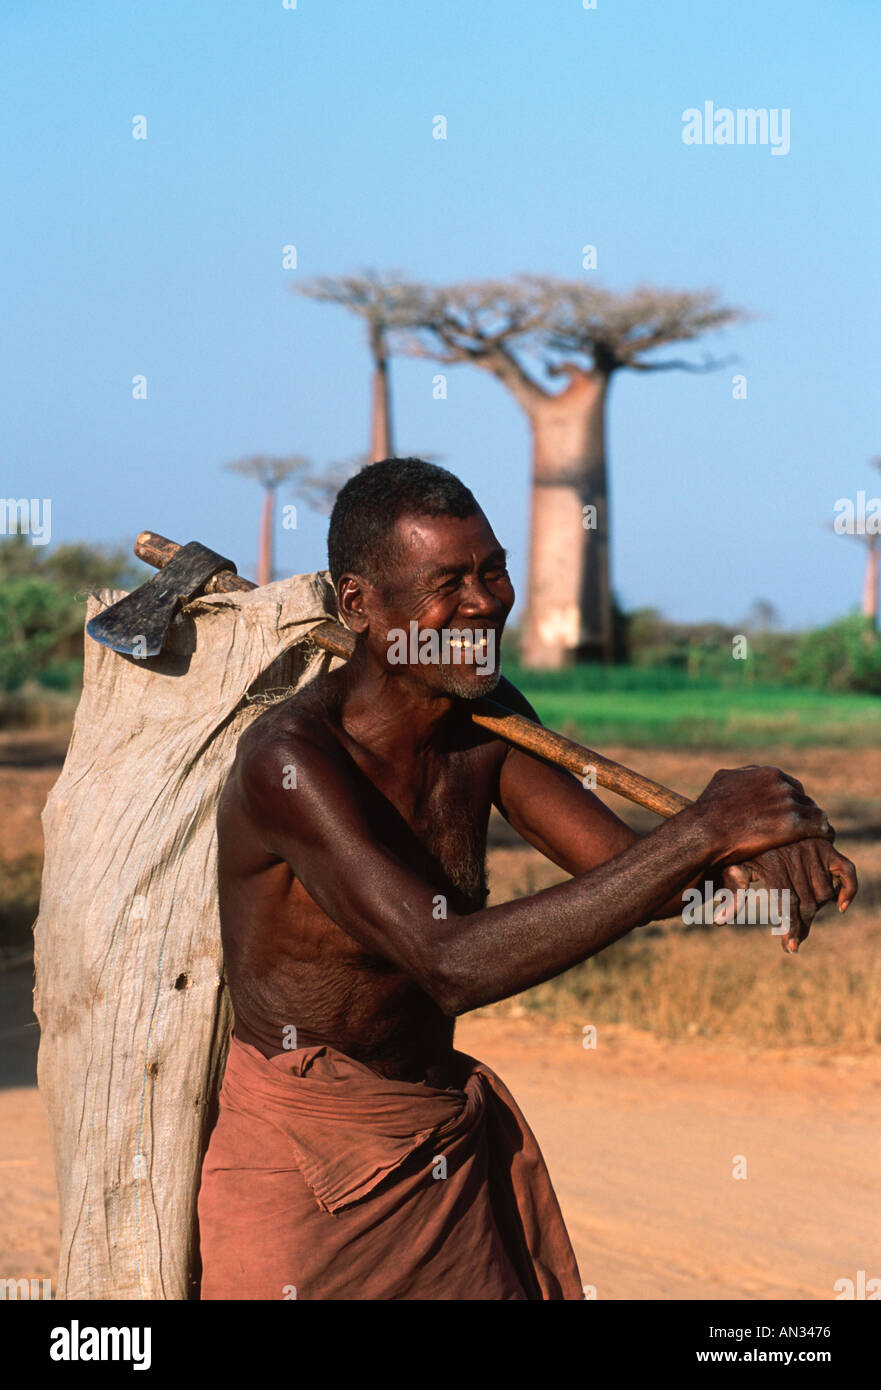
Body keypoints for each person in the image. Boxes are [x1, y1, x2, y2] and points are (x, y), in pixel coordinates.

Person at [198, 458, 856, 1300]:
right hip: (306, 1160)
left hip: (436, 1135)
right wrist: (704, 827)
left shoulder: (484, 721)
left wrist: (759, 849)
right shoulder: (292, 763)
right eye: (445, 584)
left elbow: (639, 883)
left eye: (491, 570)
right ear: (358, 604)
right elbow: (449, 963)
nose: (481, 602)